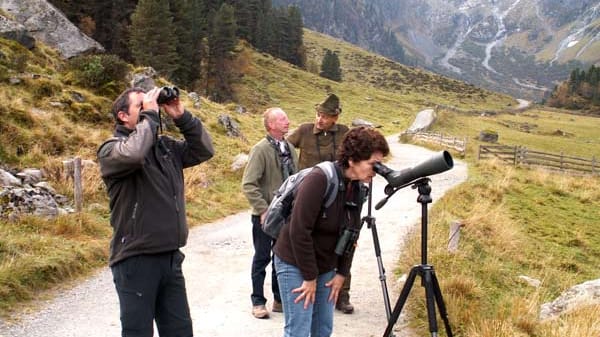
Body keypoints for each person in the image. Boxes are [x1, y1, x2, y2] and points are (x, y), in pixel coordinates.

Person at [97, 87, 214, 337]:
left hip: (170, 257)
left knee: (180, 331)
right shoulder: (112, 150)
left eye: (151, 105)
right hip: (136, 259)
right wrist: (150, 117)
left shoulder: (165, 148)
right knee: (138, 332)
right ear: (122, 116)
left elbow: (204, 150)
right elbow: (134, 154)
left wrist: (181, 116)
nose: (150, 108)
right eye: (141, 106)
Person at [273, 126, 390, 337]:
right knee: (298, 330)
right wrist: (309, 278)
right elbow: (299, 231)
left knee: (323, 329)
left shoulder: (357, 187)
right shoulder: (319, 179)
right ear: (353, 159)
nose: (377, 171)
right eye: (373, 164)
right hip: (294, 262)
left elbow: (351, 234)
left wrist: (342, 273)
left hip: (325, 266)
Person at [286, 93, 355, 314]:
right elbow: (284, 149)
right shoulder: (304, 130)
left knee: (342, 243)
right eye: (318, 114)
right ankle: (296, 293)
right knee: (301, 239)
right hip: (308, 196)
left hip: (339, 196)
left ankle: (342, 296)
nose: (319, 120)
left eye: (324, 116)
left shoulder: (345, 133)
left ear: (335, 118)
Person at [242, 107, 299, 319]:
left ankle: (279, 300)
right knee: (262, 258)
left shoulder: (290, 148)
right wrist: (263, 210)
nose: (287, 121)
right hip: (265, 216)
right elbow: (249, 184)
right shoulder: (260, 149)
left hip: (286, 216)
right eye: (282, 119)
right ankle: (258, 301)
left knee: (282, 257)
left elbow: (297, 179)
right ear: (271, 125)